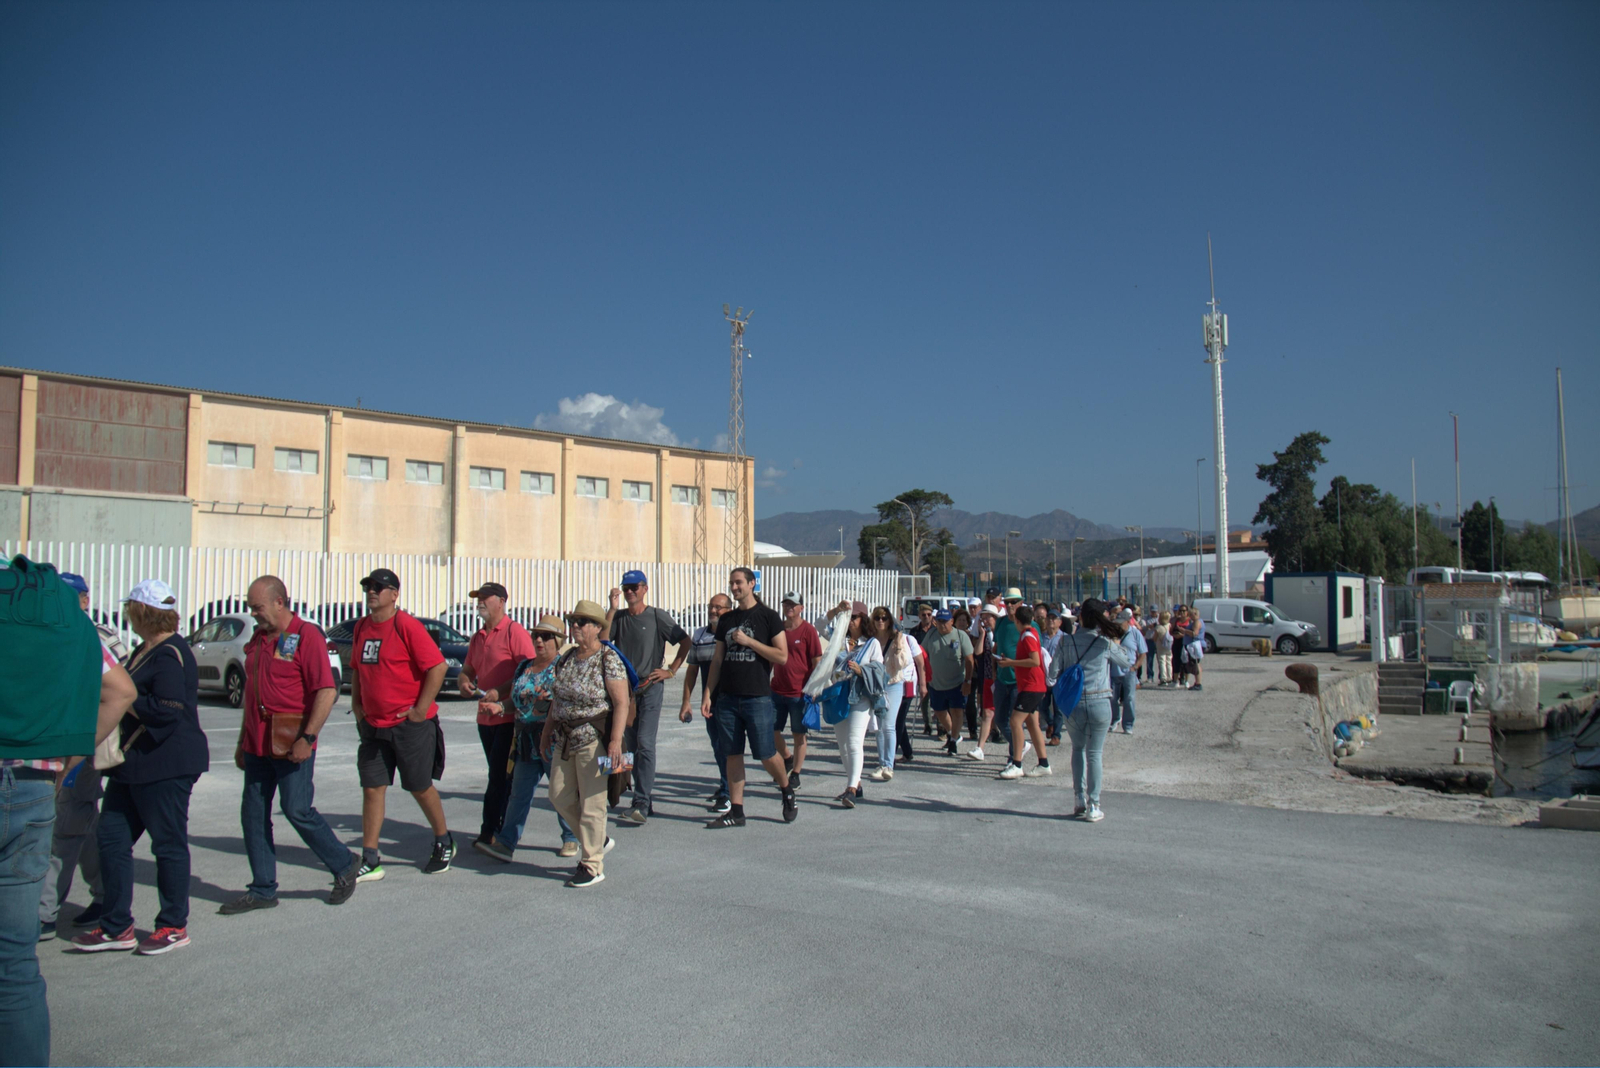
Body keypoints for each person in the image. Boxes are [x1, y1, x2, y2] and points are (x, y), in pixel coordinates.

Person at [2, 556, 133, 1063]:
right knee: (14, 963)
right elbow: (119, 691)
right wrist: (68, 760)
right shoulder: (57, 610)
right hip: (34, 783)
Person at [73, 579, 210, 956]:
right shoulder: (143, 650)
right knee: (112, 839)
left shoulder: (169, 654)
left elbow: (167, 712)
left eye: (130, 608)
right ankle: (117, 925)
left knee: (167, 845)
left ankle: (172, 924)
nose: (127, 615)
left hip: (165, 764)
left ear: (141, 612)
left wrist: (126, 699)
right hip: (132, 765)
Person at [218, 576, 357, 916]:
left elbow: (326, 690)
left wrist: (307, 738)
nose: (254, 614)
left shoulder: (305, 635)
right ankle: (263, 888)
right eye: (251, 608)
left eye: (258, 607)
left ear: (279, 602)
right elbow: (252, 694)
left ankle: (344, 864)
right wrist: (241, 742)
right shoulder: (258, 639)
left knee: (297, 809)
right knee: (253, 814)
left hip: (291, 741)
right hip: (256, 744)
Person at [347, 568, 452, 880]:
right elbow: (356, 669)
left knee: (419, 787)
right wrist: (357, 706)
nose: (372, 591)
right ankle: (370, 857)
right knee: (372, 788)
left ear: (395, 594)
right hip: (373, 725)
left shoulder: (406, 625)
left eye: (380, 587)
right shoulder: (362, 628)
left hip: (409, 726)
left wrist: (420, 710)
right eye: (368, 586)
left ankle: (443, 840)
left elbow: (437, 666)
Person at [38, 573, 125, 939]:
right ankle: (105, 894)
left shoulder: (99, 638)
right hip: (52, 741)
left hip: (83, 746)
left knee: (66, 825)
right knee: (81, 823)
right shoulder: (48, 633)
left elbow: (121, 689)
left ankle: (43, 912)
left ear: (85, 600)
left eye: (70, 596)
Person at [540, 600, 628, 887]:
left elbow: (621, 702)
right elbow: (558, 699)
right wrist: (546, 731)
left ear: (596, 627)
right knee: (558, 795)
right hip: (564, 738)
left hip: (594, 739)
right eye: (573, 621)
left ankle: (592, 865)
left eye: (581, 622)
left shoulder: (607, 658)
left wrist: (615, 741)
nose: (575, 626)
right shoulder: (566, 658)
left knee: (592, 804)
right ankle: (598, 839)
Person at [476, 615, 577, 862]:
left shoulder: (564, 668)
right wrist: (500, 707)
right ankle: (506, 843)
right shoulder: (523, 668)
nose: (539, 640)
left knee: (559, 794)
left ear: (558, 641)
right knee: (518, 795)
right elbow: (518, 701)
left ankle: (571, 837)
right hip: (525, 743)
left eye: (546, 636)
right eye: (536, 636)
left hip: (553, 742)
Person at [701, 568, 797, 828]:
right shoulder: (726, 619)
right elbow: (718, 660)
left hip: (757, 697)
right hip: (728, 699)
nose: (734, 587)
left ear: (752, 584)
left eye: (739, 582)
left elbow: (781, 656)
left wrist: (750, 642)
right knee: (732, 754)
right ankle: (737, 811)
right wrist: (709, 693)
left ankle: (787, 790)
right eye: (731, 583)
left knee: (766, 753)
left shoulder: (768, 617)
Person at [605, 570, 689, 825]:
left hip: (649, 687)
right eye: (626, 587)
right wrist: (611, 607)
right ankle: (622, 793)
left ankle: (641, 801)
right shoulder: (618, 617)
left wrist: (671, 670)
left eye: (634, 587)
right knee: (626, 744)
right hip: (625, 692)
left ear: (645, 588)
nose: (630, 591)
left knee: (645, 742)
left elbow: (685, 641)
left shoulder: (655, 616)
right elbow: (603, 640)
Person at [458, 581, 536, 849]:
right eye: (477, 597)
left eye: (485, 597)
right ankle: (497, 828)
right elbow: (468, 668)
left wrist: (499, 692)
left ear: (502, 601)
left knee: (499, 777)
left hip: (508, 718)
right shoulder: (478, 637)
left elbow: (528, 673)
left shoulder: (515, 633)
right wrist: (463, 680)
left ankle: (491, 830)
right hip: (484, 718)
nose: (479, 601)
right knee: (498, 774)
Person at [1044, 598, 1133, 822]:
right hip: (1100, 699)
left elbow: (1052, 675)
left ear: (1080, 617)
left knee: (1078, 749)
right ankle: (1095, 804)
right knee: (1095, 754)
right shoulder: (1104, 642)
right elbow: (1125, 662)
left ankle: (1079, 800)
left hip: (1074, 703)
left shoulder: (1066, 642)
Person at [680, 593, 734, 815]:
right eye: (711, 607)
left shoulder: (734, 635)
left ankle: (729, 794)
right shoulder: (699, 635)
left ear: (729, 610)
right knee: (717, 745)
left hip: (731, 700)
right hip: (709, 701)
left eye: (719, 608)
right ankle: (725, 785)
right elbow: (692, 670)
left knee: (728, 747)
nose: (713, 611)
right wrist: (686, 702)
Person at [826, 602, 880, 808]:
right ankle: (856, 784)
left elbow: (879, 670)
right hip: (839, 695)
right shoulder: (838, 638)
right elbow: (820, 624)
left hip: (860, 696)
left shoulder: (871, 643)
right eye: (848, 617)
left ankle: (850, 789)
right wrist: (836, 610)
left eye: (854, 617)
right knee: (842, 745)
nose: (850, 621)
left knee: (854, 741)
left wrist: (860, 670)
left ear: (863, 620)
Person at [769, 592, 823, 790]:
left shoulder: (808, 631)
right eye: (786, 604)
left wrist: (815, 688)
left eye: (793, 604)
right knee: (771, 731)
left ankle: (796, 774)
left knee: (798, 735)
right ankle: (787, 758)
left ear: (801, 608)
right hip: (776, 691)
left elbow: (817, 661)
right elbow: (770, 656)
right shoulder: (778, 630)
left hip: (799, 694)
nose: (789, 607)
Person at [994, 604, 1051, 778]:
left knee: (1015, 722)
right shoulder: (1030, 633)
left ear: (1017, 621)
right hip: (1032, 686)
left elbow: (1034, 661)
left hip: (1031, 686)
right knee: (1033, 725)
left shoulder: (1027, 636)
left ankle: (1017, 763)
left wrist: (1011, 663)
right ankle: (1043, 763)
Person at [867, 607, 913, 782]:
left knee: (889, 725)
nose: (881, 621)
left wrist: (899, 645)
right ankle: (882, 763)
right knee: (878, 726)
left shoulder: (897, 639)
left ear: (889, 621)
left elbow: (904, 663)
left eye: (884, 618)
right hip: (876, 686)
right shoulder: (871, 640)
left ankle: (888, 765)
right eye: (877, 618)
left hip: (894, 684)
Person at [921, 610, 973, 757]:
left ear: (952, 621)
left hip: (957, 682)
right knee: (939, 711)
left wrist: (968, 681)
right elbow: (922, 653)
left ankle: (954, 741)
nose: (942, 625)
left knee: (957, 711)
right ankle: (952, 733)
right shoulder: (931, 635)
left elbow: (969, 660)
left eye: (945, 621)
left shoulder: (960, 636)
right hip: (936, 683)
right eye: (939, 621)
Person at [965, 606, 1002, 761]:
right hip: (987, 677)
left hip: (1001, 677)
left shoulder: (1002, 634)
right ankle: (980, 748)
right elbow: (978, 652)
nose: (984, 620)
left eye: (987, 617)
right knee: (987, 713)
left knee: (1004, 716)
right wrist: (982, 634)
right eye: (983, 618)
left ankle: (1018, 745)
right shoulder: (986, 634)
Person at [1108, 607, 1147, 735]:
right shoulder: (1112, 634)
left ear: (1127, 622)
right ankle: (1114, 720)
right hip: (1114, 671)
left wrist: (1135, 667)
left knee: (1129, 698)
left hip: (1129, 671)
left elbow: (1142, 652)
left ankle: (1128, 724)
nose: (1119, 625)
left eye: (1121, 623)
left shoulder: (1135, 633)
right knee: (1112, 698)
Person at [1154, 610, 1174, 687]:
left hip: (1160, 646)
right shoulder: (1169, 625)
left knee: (1162, 661)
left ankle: (1163, 678)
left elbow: (1154, 638)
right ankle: (1170, 677)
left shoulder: (1158, 628)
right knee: (1169, 661)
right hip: (1169, 646)